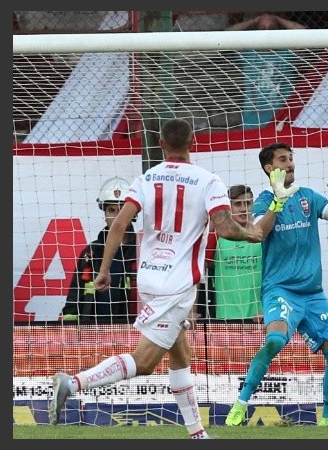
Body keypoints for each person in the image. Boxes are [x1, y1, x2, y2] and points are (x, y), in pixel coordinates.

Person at [48, 118, 263, 438]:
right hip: (176, 286)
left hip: (148, 280)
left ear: (160, 145)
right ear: (193, 142)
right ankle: (73, 383)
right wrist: (253, 234)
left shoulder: (146, 179)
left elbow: (120, 224)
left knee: (180, 353)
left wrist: (103, 269)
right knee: (145, 362)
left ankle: (197, 434)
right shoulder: (208, 180)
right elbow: (226, 227)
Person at [225, 142, 328, 427]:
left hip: (312, 293)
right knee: (275, 340)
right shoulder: (261, 200)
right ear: (269, 168)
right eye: (283, 160)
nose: (290, 163)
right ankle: (241, 402)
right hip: (280, 289)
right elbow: (259, 232)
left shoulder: (308, 196)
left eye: (292, 158)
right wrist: (278, 201)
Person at [62, 177, 137, 325]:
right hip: (93, 332)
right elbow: (74, 297)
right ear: (104, 214)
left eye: (122, 210)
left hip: (132, 330)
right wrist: (70, 329)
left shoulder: (141, 251)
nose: (117, 216)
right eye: (111, 210)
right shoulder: (91, 252)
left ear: (133, 214)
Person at [227, 12, 307, 129]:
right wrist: (253, 21)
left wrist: (279, 19)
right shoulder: (248, 53)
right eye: (262, 29)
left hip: (282, 116)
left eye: (272, 28)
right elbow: (226, 34)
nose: (267, 32)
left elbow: (306, 34)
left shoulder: (286, 52)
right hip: (254, 119)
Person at [210, 184, 264, 321]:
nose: (243, 209)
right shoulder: (217, 236)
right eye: (238, 204)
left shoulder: (261, 234)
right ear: (229, 207)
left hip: (258, 318)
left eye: (247, 203)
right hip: (225, 319)